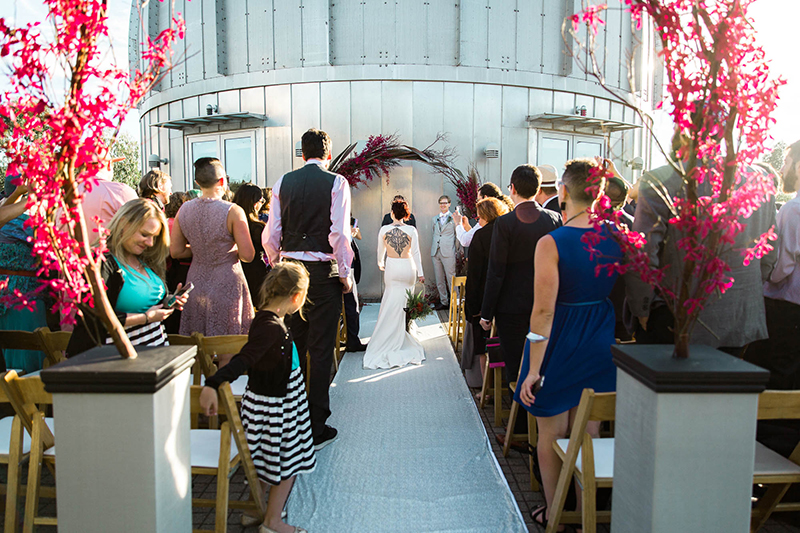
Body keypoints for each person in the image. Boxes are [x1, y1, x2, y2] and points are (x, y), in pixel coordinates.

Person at [517, 159, 622, 529]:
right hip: (599, 337)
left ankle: (556, 514)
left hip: (560, 340)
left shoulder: (553, 242)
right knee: (588, 431)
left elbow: (543, 311)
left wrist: (533, 369)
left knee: (552, 432)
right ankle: (583, 514)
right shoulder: (615, 236)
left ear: (563, 191)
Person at [626, 128, 776, 353]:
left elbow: (642, 251)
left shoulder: (662, 180)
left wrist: (642, 307)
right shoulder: (759, 180)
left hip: (674, 316)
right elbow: (768, 250)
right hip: (738, 316)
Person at [200, 262, 315, 533]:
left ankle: (256, 510)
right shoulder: (271, 328)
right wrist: (213, 383)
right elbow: (245, 358)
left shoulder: (264, 319)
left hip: (270, 403)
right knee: (287, 464)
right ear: (296, 297)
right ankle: (272, 522)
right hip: (278, 408)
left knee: (264, 459)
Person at [264, 128, 354, 451]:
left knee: (293, 346)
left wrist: (277, 263)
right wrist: (345, 273)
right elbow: (339, 234)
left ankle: (292, 419)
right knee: (321, 348)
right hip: (321, 273)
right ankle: (315, 426)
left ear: (302, 154)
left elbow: (271, 234)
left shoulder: (282, 183)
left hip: (289, 271)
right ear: (328, 154)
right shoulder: (337, 182)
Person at [480, 165, 561, 438]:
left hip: (511, 309)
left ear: (512, 188)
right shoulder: (554, 219)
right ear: (537, 189)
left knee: (516, 367)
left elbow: (496, 271)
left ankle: (522, 430)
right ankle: (544, 426)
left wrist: (486, 312)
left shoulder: (505, 224)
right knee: (544, 365)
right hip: (547, 306)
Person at [66, 199, 189, 357]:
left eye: (154, 237)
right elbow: (94, 318)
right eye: (145, 234)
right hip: (114, 358)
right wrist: (144, 318)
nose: (150, 243)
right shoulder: (101, 262)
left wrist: (168, 301)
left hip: (152, 351)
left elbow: (143, 300)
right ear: (123, 223)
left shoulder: (144, 258)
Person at [171, 157, 255, 363]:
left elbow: (176, 251)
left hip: (196, 281)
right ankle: (224, 382)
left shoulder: (184, 210)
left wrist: (202, 250)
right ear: (222, 181)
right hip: (227, 280)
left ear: (197, 183)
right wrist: (223, 250)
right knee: (228, 345)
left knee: (198, 345)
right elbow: (248, 255)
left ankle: (200, 381)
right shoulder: (232, 211)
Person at [747, 139, 800, 389]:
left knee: (773, 379)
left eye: (787, 162)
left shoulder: (793, 210)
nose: (782, 169)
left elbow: (779, 269)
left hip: (785, 309)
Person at [363, 198, 425, 369]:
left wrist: (380, 263)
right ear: (406, 214)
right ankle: (405, 332)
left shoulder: (384, 230)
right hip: (408, 267)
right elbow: (416, 253)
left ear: (392, 213)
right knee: (406, 302)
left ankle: (391, 334)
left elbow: (380, 251)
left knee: (391, 300)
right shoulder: (411, 230)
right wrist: (421, 273)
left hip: (392, 266)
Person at [0, 178, 50, 372]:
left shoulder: (8, 210)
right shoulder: (25, 220)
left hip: (9, 292)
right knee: (29, 351)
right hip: (24, 295)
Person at [462, 197, 510, 394]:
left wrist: (471, 307)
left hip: (483, 300)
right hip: (507, 298)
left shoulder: (481, 236)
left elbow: (474, 274)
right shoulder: (508, 232)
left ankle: (486, 389)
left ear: (485, 216)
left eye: (479, 216)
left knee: (483, 347)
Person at [80, 160, 138, 244]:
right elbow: (138, 230)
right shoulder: (120, 191)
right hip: (105, 250)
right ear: (109, 165)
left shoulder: (64, 192)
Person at [233, 183, 270, 304]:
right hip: (256, 271)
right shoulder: (257, 227)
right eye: (261, 201)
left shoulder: (229, 223)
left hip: (234, 269)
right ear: (255, 204)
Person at [453, 182, 504, 248]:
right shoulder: (505, 216)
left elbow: (465, 241)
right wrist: (467, 227)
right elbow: (477, 235)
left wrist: (458, 223)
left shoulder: (486, 218)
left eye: (478, 200)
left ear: (485, 198)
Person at [344, 215, 367, 352]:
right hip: (346, 268)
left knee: (351, 306)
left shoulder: (351, 220)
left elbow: (359, 236)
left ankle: (351, 338)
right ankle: (352, 340)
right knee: (351, 306)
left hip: (346, 267)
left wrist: (354, 232)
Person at [431, 195, 457, 310]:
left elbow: (457, 236)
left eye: (445, 203)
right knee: (439, 279)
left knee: (451, 278)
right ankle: (444, 301)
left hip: (448, 252)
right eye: (441, 203)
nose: (443, 205)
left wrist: (456, 250)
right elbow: (434, 233)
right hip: (436, 251)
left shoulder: (453, 218)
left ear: (449, 204)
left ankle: (455, 303)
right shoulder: (434, 219)